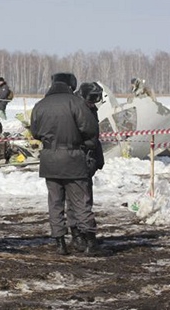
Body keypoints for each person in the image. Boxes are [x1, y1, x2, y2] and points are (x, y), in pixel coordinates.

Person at [30, 73, 101, 256]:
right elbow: (90, 129)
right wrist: (87, 146)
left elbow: (36, 132)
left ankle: (60, 242)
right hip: (73, 159)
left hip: (49, 160)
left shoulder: (40, 105)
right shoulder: (76, 103)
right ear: (71, 85)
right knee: (80, 201)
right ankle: (90, 242)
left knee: (55, 203)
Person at [69, 82, 105, 252]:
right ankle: (85, 238)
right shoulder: (76, 109)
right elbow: (86, 137)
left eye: (96, 99)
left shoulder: (89, 109)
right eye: (91, 98)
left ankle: (80, 236)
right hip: (79, 159)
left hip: (87, 159)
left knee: (78, 200)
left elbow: (95, 137)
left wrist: (99, 158)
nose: (93, 102)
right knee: (81, 201)